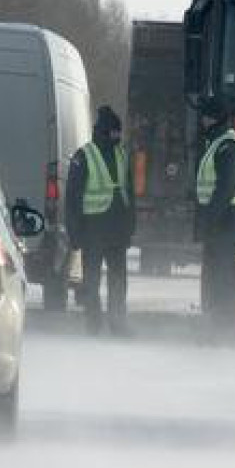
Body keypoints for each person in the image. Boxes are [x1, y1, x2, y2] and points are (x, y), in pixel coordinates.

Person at [65, 105, 135, 335]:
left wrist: (131, 225)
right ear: (105, 131)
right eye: (115, 132)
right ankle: (93, 324)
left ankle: (118, 323)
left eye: (119, 133)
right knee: (91, 282)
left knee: (118, 281)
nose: (118, 137)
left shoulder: (122, 154)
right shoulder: (83, 156)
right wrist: (74, 233)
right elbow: (72, 198)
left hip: (117, 229)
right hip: (92, 229)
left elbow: (129, 191)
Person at [195, 99, 235, 317]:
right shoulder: (219, 141)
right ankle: (214, 322)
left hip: (226, 222)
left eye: (204, 116)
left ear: (211, 118)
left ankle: (221, 325)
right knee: (217, 275)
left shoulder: (227, 145)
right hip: (225, 221)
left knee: (222, 276)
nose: (201, 120)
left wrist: (210, 218)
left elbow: (226, 187)